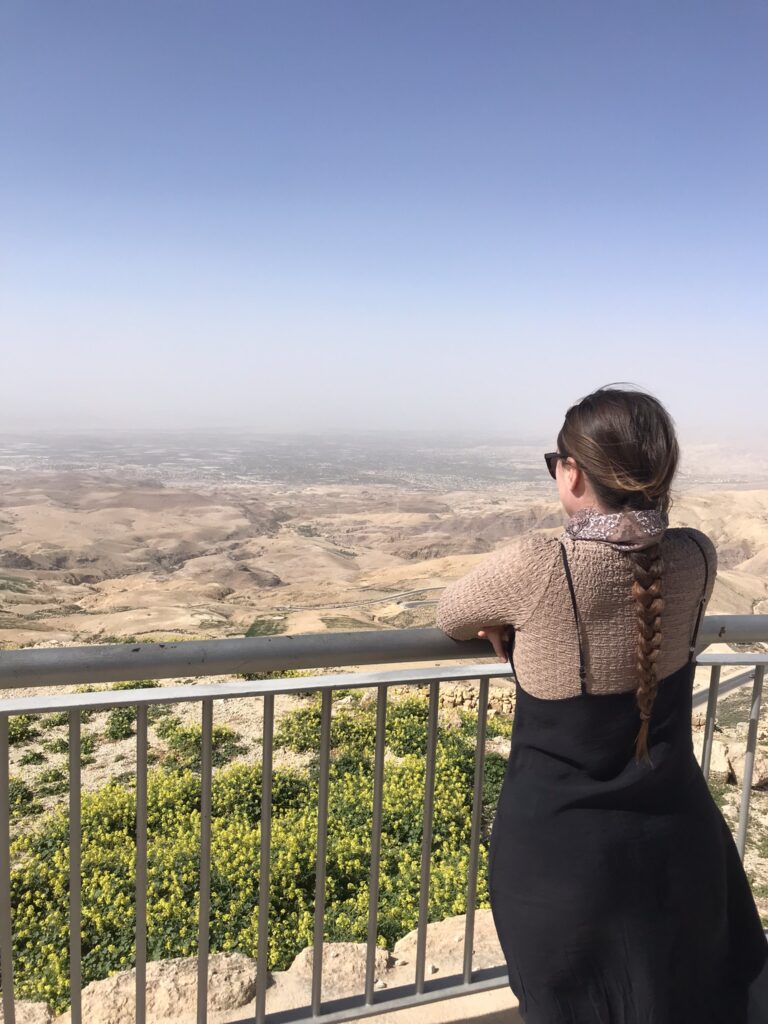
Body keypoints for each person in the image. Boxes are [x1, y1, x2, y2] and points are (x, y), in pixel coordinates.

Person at [435, 384, 768, 1024]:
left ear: (574, 473)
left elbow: (451, 611)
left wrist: (499, 622)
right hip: (678, 845)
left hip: (562, 864)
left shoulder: (540, 565)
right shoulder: (695, 555)